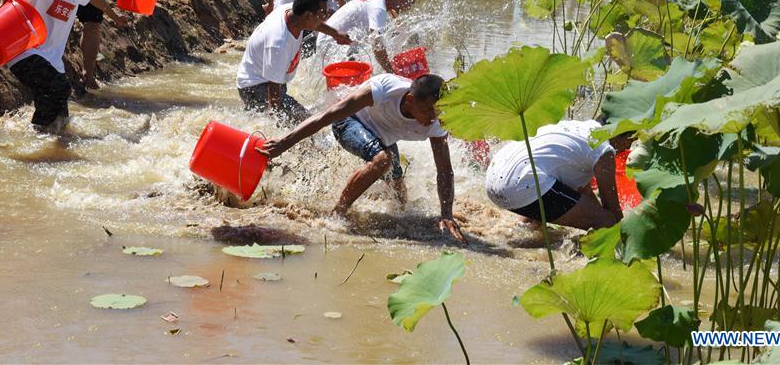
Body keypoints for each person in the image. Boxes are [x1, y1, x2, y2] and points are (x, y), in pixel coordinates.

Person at [259, 73, 466, 243]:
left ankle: (387, 207)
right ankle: (337, 214)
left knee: (398, 190)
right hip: (348, 122)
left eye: (437, 112)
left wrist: (446, 213)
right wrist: (284, 143)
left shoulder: (436, 123)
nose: (432, 117)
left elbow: (444, 170)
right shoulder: (385, 88)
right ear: (410, 100)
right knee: (382, 160)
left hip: (383, 138)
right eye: (427, 110)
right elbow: (327, 115)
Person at [0, 0, 126, 132]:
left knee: (61, 122)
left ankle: (39, 143)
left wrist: (115, 16)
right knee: (61, 88)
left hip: (53, 60)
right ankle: (36, 136)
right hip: (25, 53)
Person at [485, 119, 626, 231]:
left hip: (493, 180)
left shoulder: (577, 129)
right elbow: (613, 212)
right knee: (606, 221)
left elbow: (585, 192)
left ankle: (512, 238)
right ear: (620, 131)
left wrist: (592, 213)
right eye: (630, 140)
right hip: (521, 185)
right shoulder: (604, 150)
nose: (629, 148)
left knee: (541, 213)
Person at [236, 0, 349, 122]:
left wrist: (335, 34)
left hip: (269, 78)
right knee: (307, 123)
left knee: (297, 120)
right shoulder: (278, 43)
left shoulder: (294, 11)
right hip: (255, 87)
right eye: (322, 13)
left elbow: (315, 23)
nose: (326, 16)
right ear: (307, 15)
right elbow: (274, 90)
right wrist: (277, 124)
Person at [317, 0, 421, 71]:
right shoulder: (378, 9)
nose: (409, 8)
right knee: (368, 63)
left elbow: (388, 13)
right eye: (410, 3)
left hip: (326, 38)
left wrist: (402, 28)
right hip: (331, 46)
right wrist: (391, 72)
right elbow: (377, 46)